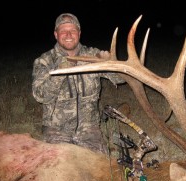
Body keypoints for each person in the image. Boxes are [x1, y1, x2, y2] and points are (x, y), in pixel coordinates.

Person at [32, 13, 125, 153]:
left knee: (98, 169)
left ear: (79, 33)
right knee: (59, 171)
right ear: (56, 34)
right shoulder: (44, 61)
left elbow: (121, 79)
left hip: (89, 130)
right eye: (63, 31)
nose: (68, 34)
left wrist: (111, 63)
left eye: (73, 30)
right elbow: (40, 96)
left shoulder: (93, 55)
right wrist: (59, 72)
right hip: (56, 131)